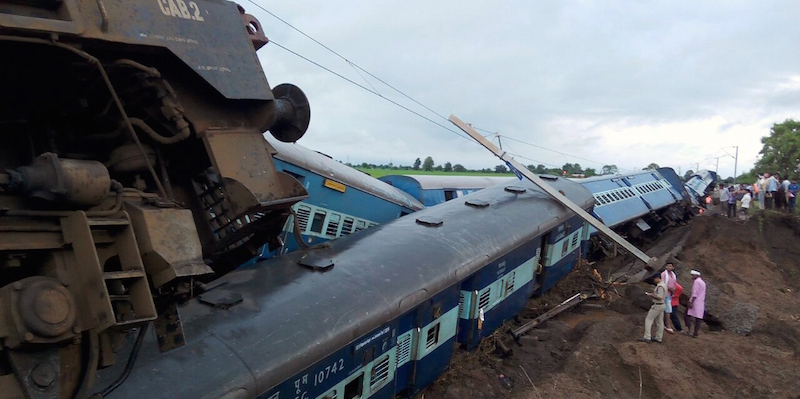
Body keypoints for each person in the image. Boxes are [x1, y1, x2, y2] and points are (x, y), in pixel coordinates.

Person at [640, 274, 667, 343]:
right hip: (662, 305)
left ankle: (647, 336)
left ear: (658, 278)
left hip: (657, 305)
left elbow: (659, 297)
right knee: (660, 322)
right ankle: (659, 337)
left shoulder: (660, 286)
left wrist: (651, 295)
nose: (654, 281)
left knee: (648, 319)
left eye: (654, 279)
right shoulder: (664, 285)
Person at [684, 270, 706, 338]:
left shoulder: (696, 282)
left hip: (695, 301)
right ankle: (695, 332)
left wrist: (691, 302)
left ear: (696, 276)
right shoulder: (703, 282)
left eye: (693, 275)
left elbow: (695, 293)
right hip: (701, 302)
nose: (692, 277)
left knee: (686, 314)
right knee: (698, 318)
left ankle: (688, 329)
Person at [661, 263, 677, 333]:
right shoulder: (664, 274)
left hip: (670, 294)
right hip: (664, 293)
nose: (669, 267)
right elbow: (662, 284)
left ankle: (667, 325)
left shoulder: (673, 275)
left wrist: (673, 289)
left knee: (668, 310)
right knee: (666, 309)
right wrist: (670, 288)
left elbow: (675, 284)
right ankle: (667, 325)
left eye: (670, 266)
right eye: (668, 266)